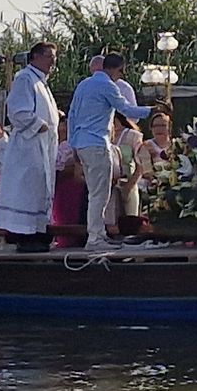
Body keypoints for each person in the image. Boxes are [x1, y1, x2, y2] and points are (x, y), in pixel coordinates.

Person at [66, 51, 153, 251]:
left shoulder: (83, 85)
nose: (121, 75)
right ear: (115, 68)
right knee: (100, 194)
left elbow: (72, 115)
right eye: (121, 71)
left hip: (82, 144)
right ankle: (95, 238)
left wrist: (73, 145)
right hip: (97, 144)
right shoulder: (107, 85)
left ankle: (97, 235)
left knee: (94, 193)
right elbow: (126, 109)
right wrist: (152, 111)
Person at [0, 42, 61, 252]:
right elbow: (17, 110)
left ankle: (39, 232)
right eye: (48, 56)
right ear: (34, 57)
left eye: (54, 57)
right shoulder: (25, 78)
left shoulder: (41, 82)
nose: (53, 61)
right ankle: (25, 236)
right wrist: (40, 125)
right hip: (29, 145)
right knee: (27, 191)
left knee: (40, 189)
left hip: (44, 146)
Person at [133, 111, 174, 213]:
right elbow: (146, 170)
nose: (159, 129)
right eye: (155, 126)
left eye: (162, 125)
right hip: (154, 181)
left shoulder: (176, 144)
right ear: (151, 128)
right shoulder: (146, 146)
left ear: (169, 127)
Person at [112, 112, 143, 220]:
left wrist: (128, 188)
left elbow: (140, 165)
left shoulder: (133, 136)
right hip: (108, 188)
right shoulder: (102, 136)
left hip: (128, 185)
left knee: (129, 224)